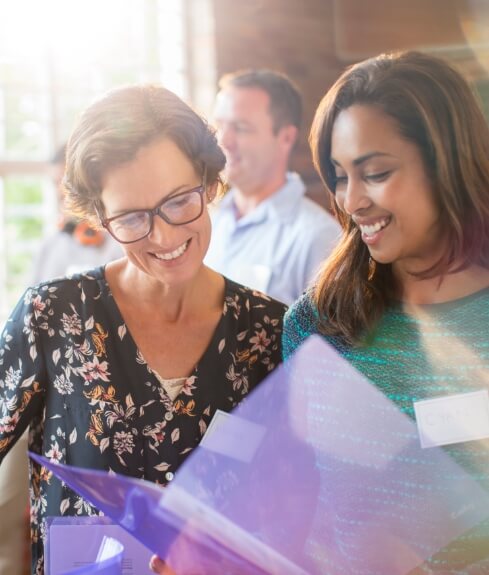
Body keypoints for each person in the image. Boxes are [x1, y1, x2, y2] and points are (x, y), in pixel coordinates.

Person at [0, 84, 287, 575]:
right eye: (132, 217)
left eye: (179, 201)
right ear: (100, 218)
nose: (164, 236)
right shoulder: (53, 314)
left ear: (209, 181)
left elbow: (291, 507)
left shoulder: (266, 332)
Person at [283, 50, 489, 572]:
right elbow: (298, 506)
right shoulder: (317, 327)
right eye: (339, 176)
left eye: (374, 173)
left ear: (447, 161)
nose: (351, 201)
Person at [205, 69, 340, 305]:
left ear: (286, 138)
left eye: (241, 127)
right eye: (220, 125)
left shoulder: (319, 237)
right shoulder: (209, 222)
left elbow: (329, 339)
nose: (224, 141)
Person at [31, 144, 123, 283]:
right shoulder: (49, 246)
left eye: (65, 182)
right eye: (55, 183)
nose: (59, 192)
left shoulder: (120, 239)